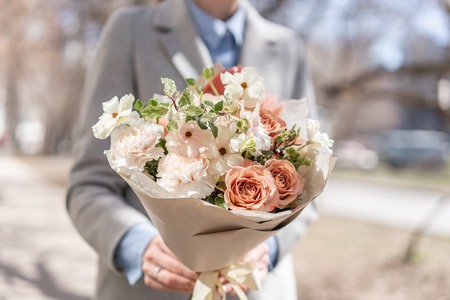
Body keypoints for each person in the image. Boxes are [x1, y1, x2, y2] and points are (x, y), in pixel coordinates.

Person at [66, 0, 318, 299]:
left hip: (257, 288)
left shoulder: (288, 47)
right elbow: (89, 182)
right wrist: (136, 243)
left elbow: (309, 176)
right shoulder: (131, 30)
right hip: (150, 289)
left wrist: (268, 247)